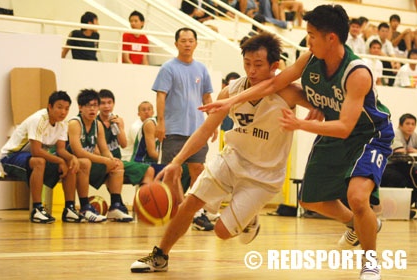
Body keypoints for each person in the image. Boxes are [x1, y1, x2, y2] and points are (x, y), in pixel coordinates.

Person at [199, 5, 395, 280]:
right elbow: (273, 85)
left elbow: (345, 127)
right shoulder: (309, 59)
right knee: (310, 200)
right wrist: (231, 100)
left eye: (312, 34)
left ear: (331, 38)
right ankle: (359, 224)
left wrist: (301, 123)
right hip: (333, 130)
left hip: (369, 134)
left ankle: (370, 263)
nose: (307, 40)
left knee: (357, 197)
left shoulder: (357, 73)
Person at [130, 32, 320, 273]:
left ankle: (249, 220)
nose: (251, 70)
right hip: (232, 158)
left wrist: (318, 109)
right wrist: (177, 162)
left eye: (258, 65)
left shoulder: (288, 92)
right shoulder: (230, 92)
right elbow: (206, 129)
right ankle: (160, 255)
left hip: (264, 175)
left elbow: (324, 104)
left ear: (274, 67)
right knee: (190, 202)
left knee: (221, 232)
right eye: (247, 63)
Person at [152, 27, 217, 231]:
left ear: (196, 43)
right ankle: (176, 211)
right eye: (183, 40)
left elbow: (207, 98)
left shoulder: (202, 69)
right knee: (173, 172)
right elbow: (160, 96)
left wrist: (212, 122)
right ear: (176, 44)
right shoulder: (168, 68)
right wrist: (160, 122)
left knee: (198, 170)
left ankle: (196, 213)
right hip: (173, 129)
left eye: (191, 40)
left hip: (197, 131)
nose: (187, 44)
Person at [0, 91, 90, 223]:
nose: (63, 112)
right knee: (39, 161)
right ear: (50, 106)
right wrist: (60, 161)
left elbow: (61, 150)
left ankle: (69, 209)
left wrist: (71, 158)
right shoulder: (39, 119)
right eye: (59, 107)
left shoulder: (62, 124)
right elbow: (36, 151)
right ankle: (37, 209)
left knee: (70, 163)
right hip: (11, 156)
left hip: (32, 157)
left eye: (66, 109)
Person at [67, 89, 133, 222]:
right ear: (80, 107)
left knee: (117, 164)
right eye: (89, 106)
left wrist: (110, 159)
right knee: (85, 162)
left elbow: (104, 149)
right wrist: (104, 160)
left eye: (95, 106)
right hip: (70, 162)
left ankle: (115, 207)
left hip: (87, 164)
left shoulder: (98, 125)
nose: (93, 109)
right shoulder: (74, 123)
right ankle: (85, 207)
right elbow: (78, 152)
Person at [97, 89, 154, 189]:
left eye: (109, 103)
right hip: (102, 162)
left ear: (113, 104)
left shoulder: (118, 120)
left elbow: (123, 144)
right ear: (98, 105)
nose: (107, 106)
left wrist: (120, 128)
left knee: (149, 170)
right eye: (103, 103)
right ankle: (117, 201)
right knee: (115, 169)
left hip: (119, 160)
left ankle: (142, 202)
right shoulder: (95, 122)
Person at [381, 113, 417, 209]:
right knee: (401, 179)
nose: (410, 126)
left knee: (415, 176)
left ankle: (410, 204)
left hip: (405, 165)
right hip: (389, 166)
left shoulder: (414, 136)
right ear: (400, 125)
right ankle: (400, 207)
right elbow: (399, 150)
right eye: (407, 123)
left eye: (413, 124)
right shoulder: (395, 134)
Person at [366, 22, 401, 86]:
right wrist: (392, 62)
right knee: (390, 64)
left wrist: (396, 63)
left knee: (396, 66)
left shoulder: (388, 43)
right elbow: (379, 52)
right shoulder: (372, 39)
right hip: (370, 61)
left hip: (382, 62)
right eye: (383, 31)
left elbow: (393, 55)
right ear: (378, 31)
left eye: (386, 31)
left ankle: (390, 85)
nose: (384, 33)